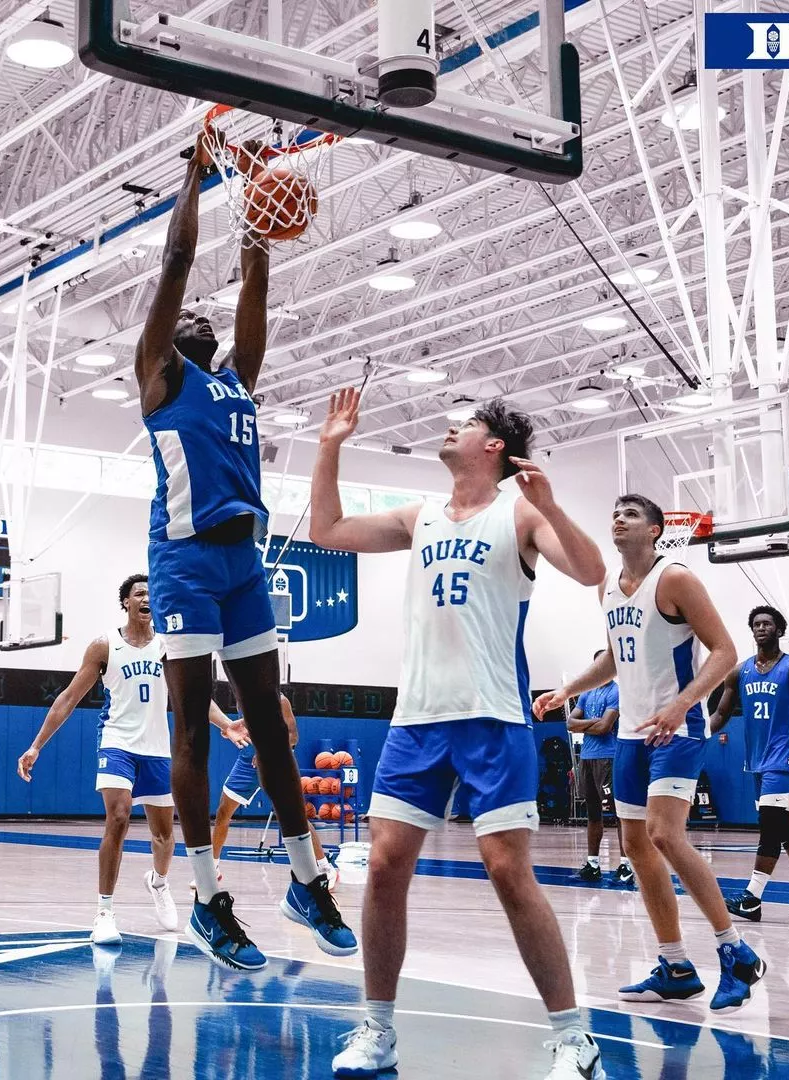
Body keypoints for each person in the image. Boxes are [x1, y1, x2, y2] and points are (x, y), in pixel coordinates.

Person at [312, 387, 607, 1080]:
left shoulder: (521, 510)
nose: (450, 426)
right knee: (384, 869)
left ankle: (572, 1036)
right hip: (417, 716)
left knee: (509, 871)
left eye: (465, 422)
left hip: (492, 714)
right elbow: (327, 531)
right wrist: (329, 448)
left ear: (493, 446)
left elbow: (593, 572)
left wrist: (556, 504)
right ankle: (377, 1028)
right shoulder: (422, 516)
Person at [134, 129, 355, 970]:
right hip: (184, 562)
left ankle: (306, 881)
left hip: (243, 566)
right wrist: (197, 175)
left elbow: (251, 281)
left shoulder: (237, 376)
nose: (195, 319)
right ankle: (207, 898)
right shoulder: (161, 373)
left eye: (203, 321)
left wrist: (261, 208)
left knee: (270, 724)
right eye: (186, 318)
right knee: (193, 730)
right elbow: (179, 263)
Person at [534, 494, 767, 1013]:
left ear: (657, 530)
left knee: (664, 835)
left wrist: (682, 704)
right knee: (637, 848)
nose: (618, 518)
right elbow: (616, 661)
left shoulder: (676, 579)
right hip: (632, 737)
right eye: (615, 511)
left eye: (631, 514)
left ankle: (735, 950)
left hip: (677, 730)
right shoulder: (608, 591)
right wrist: (566, 690)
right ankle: (676, 965)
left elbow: (726, 651)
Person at [16, 573, 249, 945]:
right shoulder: (104, 645)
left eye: (152, 595)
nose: (147, 599)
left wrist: (225, 725)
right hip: (117, 743)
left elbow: (192, 696)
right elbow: (68, 698)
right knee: (119, 816)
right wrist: (36, 745)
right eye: (140, 594)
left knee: (164, 835)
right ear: (125, 602)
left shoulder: (167, 647)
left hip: (157, 749)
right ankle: (105, 912)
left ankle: (158, 882)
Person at [710, 605, 789, 921]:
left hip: (784, 758)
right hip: (756, 762)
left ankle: (751, 899)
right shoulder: (739, 672)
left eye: (767, 623)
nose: (761, 628)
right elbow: (721, 715)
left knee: (769, 826)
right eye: (756, 624)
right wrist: (689, 731)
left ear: (779, 630)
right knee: (784, 828)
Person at [209, 695, 338, 891]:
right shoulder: (241, 696)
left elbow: (293, 736)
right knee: (222, 813)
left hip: (277, 761)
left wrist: (266, 752)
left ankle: (325, 867)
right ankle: (212, 869)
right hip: (247, 763)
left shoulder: (279, 699)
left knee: (295, 817)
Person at [567, 651, 632, 885]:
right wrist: (592, 724)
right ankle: (593, 864)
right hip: (587, 757)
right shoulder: (586, 693)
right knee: (593, 814)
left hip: (609, 758)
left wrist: (583, 725)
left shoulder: (616, 692)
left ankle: (626, 866)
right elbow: (569, 723)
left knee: (619, 815)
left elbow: (605, 727)